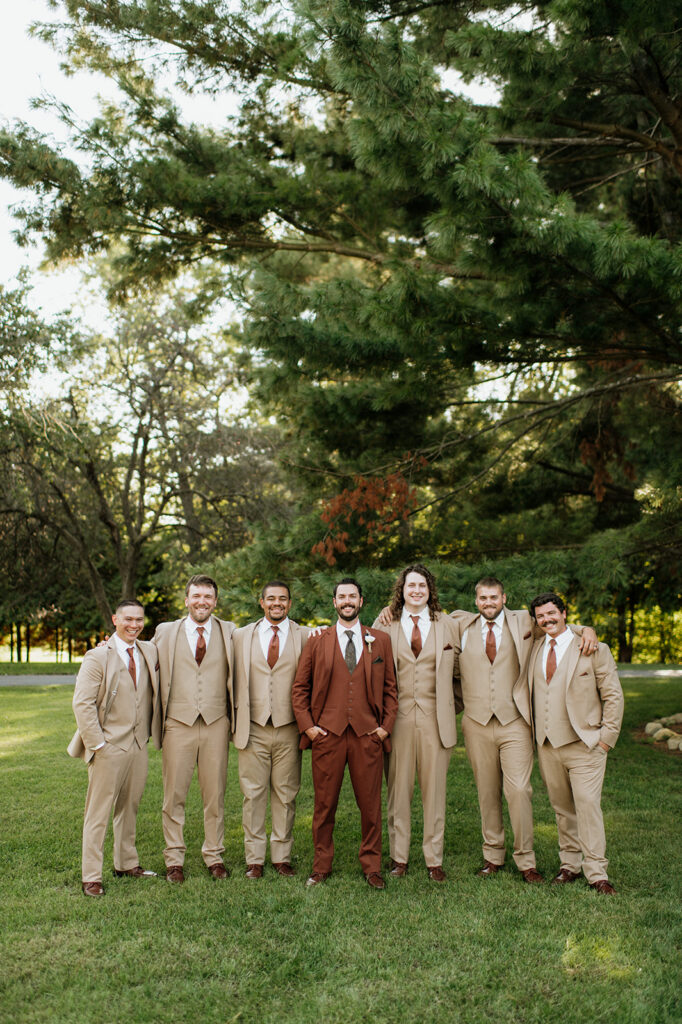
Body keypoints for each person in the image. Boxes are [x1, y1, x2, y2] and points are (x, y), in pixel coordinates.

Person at [451, 578, 598, 884]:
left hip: (515, 721)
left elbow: (558, 624)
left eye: (494, 596)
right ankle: (493, 854)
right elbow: (422, 614)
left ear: (504, 597)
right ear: (475, 600)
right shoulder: (459, 624)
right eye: (482, 597)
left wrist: (588, 630)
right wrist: (387, 608)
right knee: (486, 792)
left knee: (519, 790)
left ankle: (526, 860)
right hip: (476, 722)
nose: (488, 602)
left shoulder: (523, 622)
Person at [291, 578, 398, 889]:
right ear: (334, 602)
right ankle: (321, 865)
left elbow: (391, 690)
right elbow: (300, 689)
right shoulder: (316, 641)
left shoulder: (380, 641)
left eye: (353, 595)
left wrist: (383, 729)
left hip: (368, 736)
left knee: (371, 805)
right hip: (328, 735)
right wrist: (310, 728)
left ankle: (372, 865)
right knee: (324, 805)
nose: (347, 601)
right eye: (342, 596)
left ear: (361, 601)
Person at [528, 592, 623, 893]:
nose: (547, 619)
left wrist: (605, 739)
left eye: (552, 613)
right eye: (541, 616)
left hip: (585, 744)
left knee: (587, 805)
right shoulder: (534, 647)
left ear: (565, 612)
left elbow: (613, 696)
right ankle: (569, 864)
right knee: (562, 807)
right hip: (547, 744)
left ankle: (597, 872)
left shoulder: (593, 647)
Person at [69, 599, 161, 897]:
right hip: (108, 746)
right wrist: (98, 744)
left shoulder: (149, 650)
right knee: (98, 812)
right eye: (128, 619)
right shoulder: (97, 657)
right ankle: (91, 876)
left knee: (129, 808)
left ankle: (125, 863)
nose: (134, 625)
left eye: (139, 620)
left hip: (138, 744)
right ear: (115, 620)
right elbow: (82, 704)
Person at [372, 564, 458, 881]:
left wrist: (450, 706)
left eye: (422, 585)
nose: (417, 591)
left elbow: (460, 672)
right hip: (398, 719)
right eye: (411, 586)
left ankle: (433, 859)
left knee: (434, 792)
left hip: (437, 720)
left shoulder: (448, 625)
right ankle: (399, 858)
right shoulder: (385, 624)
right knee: (398, 791)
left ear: (430, 590)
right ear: (402, 590)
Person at [152, 574, 236, 883]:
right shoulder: (165, 632)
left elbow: (269, 637)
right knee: (174, 795)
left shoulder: (230, 632)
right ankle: (174, 858)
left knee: (214, 795)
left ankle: (214, 855)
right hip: (178, 723)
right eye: (196, 596)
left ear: (215, 601)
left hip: (215, 722)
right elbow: (142, 654)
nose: (202, 601)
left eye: (208, 597)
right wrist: (111, 646)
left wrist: (316, 631)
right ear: (186, 599)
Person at [232, 581, 310, 878]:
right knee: (253, 795)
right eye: (271, 599)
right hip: (252, 727)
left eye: (283, 599)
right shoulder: (241, 636)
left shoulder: (305, 635)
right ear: (261, 602)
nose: (277, 603)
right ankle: (254, 858)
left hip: (289, 728)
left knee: (286, 794)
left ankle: (281, 856)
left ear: (290, 603)